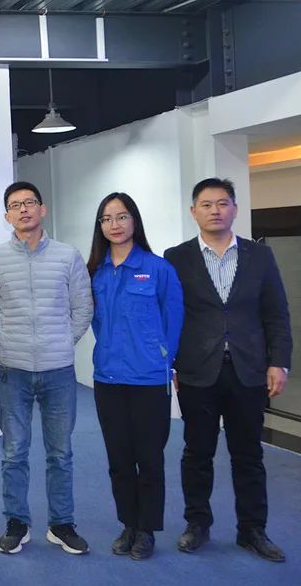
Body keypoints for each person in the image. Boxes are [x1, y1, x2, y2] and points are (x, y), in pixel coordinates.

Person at [164, 178, 292, 562]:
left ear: (234, 208)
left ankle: (252, 530)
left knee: (248, 455)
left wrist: (279, 361)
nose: (215, 210)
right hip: (197, 371)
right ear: (194, 212)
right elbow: (170, 315)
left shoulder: (259, 256)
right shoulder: (177, 257)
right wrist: (170, 363)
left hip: (249, 370)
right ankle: (197, 524)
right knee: (197, 453)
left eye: (222, 203)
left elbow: (276, 313)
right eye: (206, 204)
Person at [0, 181, 93, 556]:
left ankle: (62, 524)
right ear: (7, 215)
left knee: (60, 453)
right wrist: (4, 343)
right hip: (11, 370)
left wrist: (62, 342)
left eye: (30, 203)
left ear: (42, 210)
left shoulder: (67, 255)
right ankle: (17, 522)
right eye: (15, 205)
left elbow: (83, 307)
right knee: (14, 452)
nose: (24, 209)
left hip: (58, 371)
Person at [86, 193, 182, 561]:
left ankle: (147, 529)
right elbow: (95, 321)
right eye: (107, 218)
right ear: (101, 226)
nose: (115, 224)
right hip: (108, 378)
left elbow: (173, 321)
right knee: (119, 458)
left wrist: (163, 360)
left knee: (150, 458)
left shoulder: (158, 269)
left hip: (149, 379)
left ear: (134, 221)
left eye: (122, 216)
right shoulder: (95, 272)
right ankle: (128, 523)